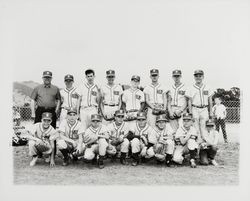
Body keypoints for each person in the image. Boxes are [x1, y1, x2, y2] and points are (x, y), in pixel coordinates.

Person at [186, 70, 213, 142]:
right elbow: (189, 100)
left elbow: (210, 100)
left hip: (204, 108)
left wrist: (211, 112)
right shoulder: (191, 87)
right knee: (195, 127)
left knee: (204, 127)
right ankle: (198, 143)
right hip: (195, 108)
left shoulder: (207, 87)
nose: (198, 77)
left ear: (203, 77)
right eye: (196, 76)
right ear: (194, 77)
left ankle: (205, 144)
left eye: (200, 76)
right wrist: (190, 112)